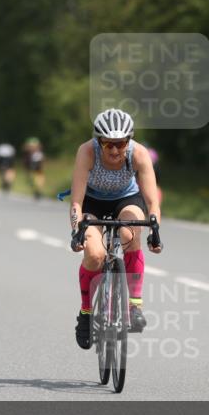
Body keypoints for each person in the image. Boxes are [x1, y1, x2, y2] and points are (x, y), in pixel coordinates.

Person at [68, 109, 162, 349]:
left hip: (127, 199)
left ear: (128, 141)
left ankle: (135, 304)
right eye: (108, 144)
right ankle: (86, 313)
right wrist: (77, 231)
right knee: (95, 255)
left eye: (120, 144)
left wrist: (155, 231)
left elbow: (152, 202)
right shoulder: (87, 152)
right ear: (99, 141)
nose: (114, 150)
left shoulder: (139, 154)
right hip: (92, 202)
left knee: (130, 233)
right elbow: (77, 202)